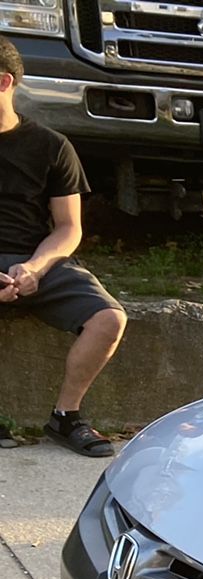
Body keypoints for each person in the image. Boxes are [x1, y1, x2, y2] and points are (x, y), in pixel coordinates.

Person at [0, 37, 126, 456]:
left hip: (33, 259)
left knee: (108, 318)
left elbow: (69, 229)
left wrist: (35, 268)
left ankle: (66, 416)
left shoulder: (52, 147)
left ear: (4, 83)